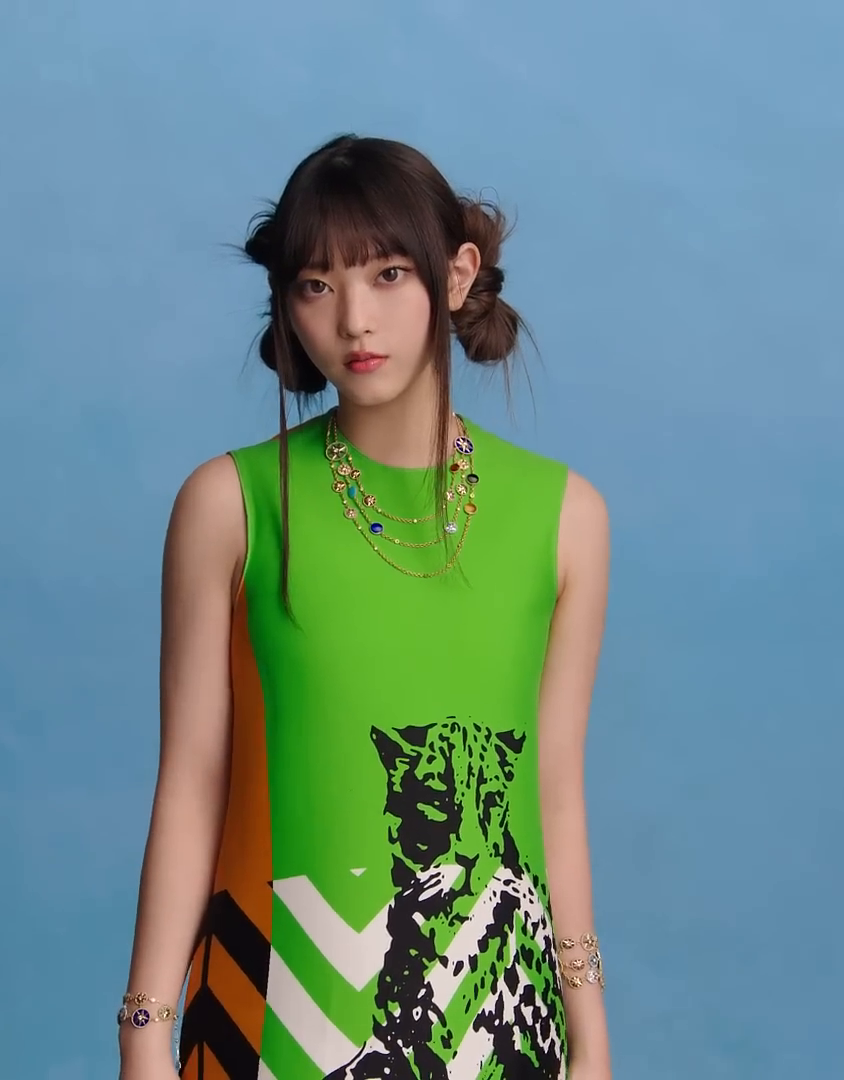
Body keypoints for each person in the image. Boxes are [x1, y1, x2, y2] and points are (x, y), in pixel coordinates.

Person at [118, 134, 613, 1079]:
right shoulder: (231, 505)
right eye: (316, 285)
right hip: (272, 1016)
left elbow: (552, 788)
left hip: (499, 1033)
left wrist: (589, 1031)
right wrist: (145, 1029)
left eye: (388, 274)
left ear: (456, 275)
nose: (354, 318)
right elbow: (193, 778)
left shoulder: (566, 519)